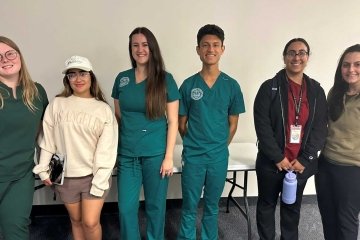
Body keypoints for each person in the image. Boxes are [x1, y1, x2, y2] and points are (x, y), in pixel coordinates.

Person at [33, 55, 118, 240]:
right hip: (64, 176)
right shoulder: (57, 104)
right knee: (76, 220)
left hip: (93, 176)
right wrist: (43, 170)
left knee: (90, 222)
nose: (78, 79)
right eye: (72, 75)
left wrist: (100, 180)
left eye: (82, 73)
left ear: (91, 76)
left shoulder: (102, 109)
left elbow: (107, 149)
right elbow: (48, 140)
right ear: (67, 80)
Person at [253, 38, 327, 240]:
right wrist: (277, 157)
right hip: (271, 163)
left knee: (292, 208)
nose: (296, 57)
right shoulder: (269, 88)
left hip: (299, 164)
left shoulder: (317, 91)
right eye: (291, 52)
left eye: (301, 52)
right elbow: (262, 126)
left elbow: (320, 128)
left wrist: (305, 159)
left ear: (308, 57)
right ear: (284, 57)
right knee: (266, 205)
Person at [177, 24, 245, 240]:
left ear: (223, 49)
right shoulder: (188, 85)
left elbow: (233, 124)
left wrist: (218, 146)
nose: (210, 49)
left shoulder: (231, 85)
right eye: (205, 45)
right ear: (198, 49)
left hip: (218, 156)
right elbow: (181, 123)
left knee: (212, 205)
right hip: (193, 156)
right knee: (188, 205)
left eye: (216, 45)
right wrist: (195, 144)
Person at [112, 27, 180, 240]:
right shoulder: (122, 79)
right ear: (130, 48)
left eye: (144, 44)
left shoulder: (165, 80)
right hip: (128, 155)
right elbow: (118, 114)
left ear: (152, 48)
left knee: (155, 207)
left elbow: (173, 120)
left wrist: (168, 157)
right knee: (125, 208)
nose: (140, 49)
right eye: (135, 45)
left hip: (155, 155)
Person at [0, 36, 48, 240]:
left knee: (15, 233)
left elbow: (46, 135)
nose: (5, 59)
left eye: (10, 53)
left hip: (19, 177)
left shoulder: (37, 92)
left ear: (19, 56)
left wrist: (48, 166)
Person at [315, 44, 360, 240]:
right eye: (346, 65)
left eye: (358, 64)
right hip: (325, 165)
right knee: (328, 218)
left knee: (346, 222)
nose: (351, 70)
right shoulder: (335, 92)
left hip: (352, 169)